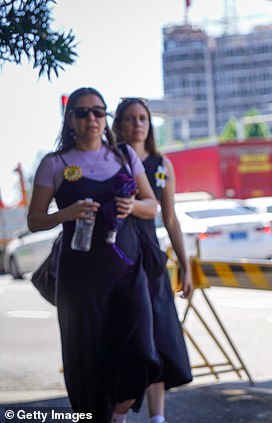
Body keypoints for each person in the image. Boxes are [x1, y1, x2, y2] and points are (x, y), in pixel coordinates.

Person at [28, 87, 162, 423]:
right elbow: (34, 220)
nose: (92, 118)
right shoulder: (55, 163)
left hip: (127, 272)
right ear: (70, 119)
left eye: (98, 112)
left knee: (140, 349)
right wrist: (66, 213)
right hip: (79, 278)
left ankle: (117, 412)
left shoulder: (124, 156)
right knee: (86, 357)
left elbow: (152, 205)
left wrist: (133, 205)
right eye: (83, 112)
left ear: (106, 119)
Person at [112, 97, 193, 423]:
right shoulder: (110, 159)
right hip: (117, 256)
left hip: (151, 259)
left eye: (143, 117)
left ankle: (157, 417)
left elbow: (170, 219)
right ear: (119, 124)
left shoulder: (162, 164)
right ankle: (118, 413)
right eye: (130, 118)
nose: (138, 123)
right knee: (128, 339)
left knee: (160, 337)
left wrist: (186, 266)